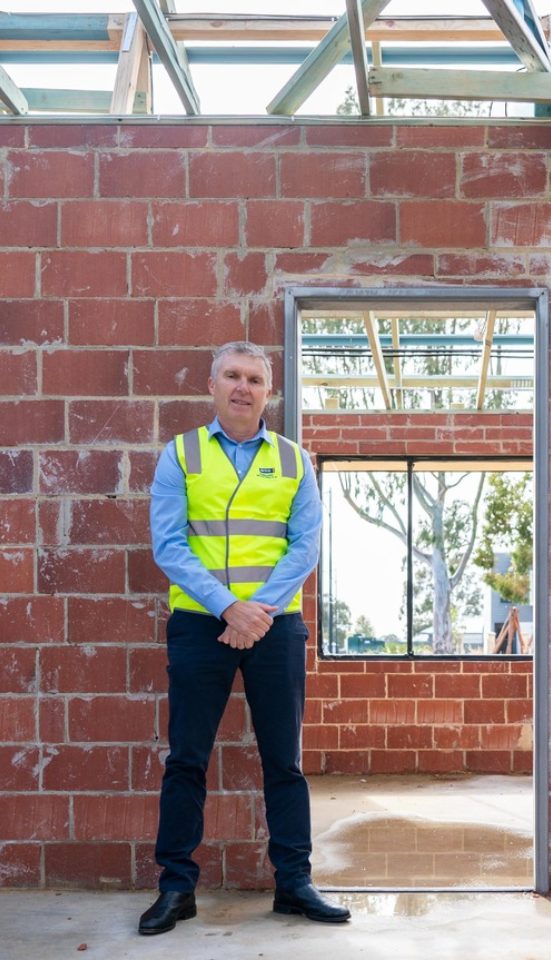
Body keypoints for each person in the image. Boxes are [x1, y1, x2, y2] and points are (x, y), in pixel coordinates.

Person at [139, 341, 350, 935]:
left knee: (285, 760)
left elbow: (305, 545)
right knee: (186, 759)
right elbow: (169, 545)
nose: (242, 387)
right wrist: (228, 607)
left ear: (268, 391)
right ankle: (176, 887)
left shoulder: (293, 460)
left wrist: (257, 612)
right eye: (232, 376)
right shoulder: (180, 454)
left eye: (254, 379)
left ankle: (294, 883)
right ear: (212, 385)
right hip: (199, 624)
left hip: (275, 626)